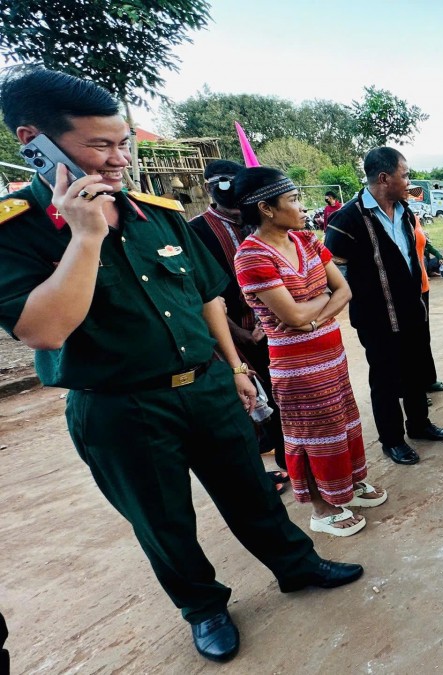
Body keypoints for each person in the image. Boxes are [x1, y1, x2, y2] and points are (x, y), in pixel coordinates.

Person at [0, 67, 362, 663]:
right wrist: (84, 235)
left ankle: (297, 566)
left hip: (208, 385)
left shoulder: (158, 214)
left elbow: (206, 296)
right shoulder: (17, 227)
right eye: (100, 145)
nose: (119, 159)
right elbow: (42, 328)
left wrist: (237, 371)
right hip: (121, 406)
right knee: (164, 520)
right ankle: (205, 608)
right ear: (33, 140)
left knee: (251, 488)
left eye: (124, 143)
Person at [233, 167, 386, 538]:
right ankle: (322, 506)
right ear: (267, 208)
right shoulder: (251, 256)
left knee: (342, 421)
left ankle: (347, 485)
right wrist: (321, 301)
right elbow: (291, 315)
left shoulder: (307, 241)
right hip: (296, 366)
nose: (303, 207)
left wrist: (313, 316)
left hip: (330, 353)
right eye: (294, 200)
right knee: (310, 433)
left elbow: (343, 291)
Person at [324, 147, 443, 467]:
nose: (408, 180)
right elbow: (333, 271)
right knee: (384, 379)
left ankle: (419, 425)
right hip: (375, 319)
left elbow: (411, 257)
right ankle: (392, 440)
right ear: (384, 178)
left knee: (415, 372)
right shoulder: (348, 219)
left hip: (411, 310)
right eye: (405, 174)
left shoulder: (405, 210)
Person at [186, 159, 288, 494]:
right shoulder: (196, 231)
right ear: (208, 188)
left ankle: (289, 459)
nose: (226, 187)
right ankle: (262, 473)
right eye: (219, 182)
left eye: (233, 181)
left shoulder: (259, 221)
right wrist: (239, 332)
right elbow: (203, 293)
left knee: (280, 394)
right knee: (249, 398)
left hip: (273, 325)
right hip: (230, 334)